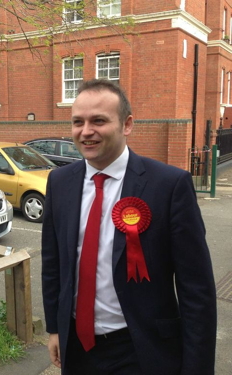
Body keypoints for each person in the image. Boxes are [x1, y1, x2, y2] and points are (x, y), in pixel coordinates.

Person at [41, 79, 216, 374]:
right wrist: (55, 328)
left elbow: (196, 288)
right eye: (77, 122)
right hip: (77, 348)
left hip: (141, 349)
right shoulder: (59, 182)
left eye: (99, 121)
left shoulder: (169, 185)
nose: (86, 132)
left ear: (127, 124)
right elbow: (53, 263)